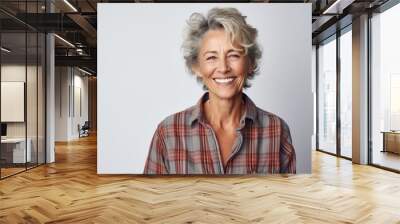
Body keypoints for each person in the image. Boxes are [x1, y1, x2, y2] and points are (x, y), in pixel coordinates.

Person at [144, 7, 295, 174]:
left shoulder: (277, 130)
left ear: (250, 63)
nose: (223, 68)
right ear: (196, 66)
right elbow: (151, 197)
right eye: (211, 57)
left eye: (234, 55)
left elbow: (287, 199)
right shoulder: (168, 133)